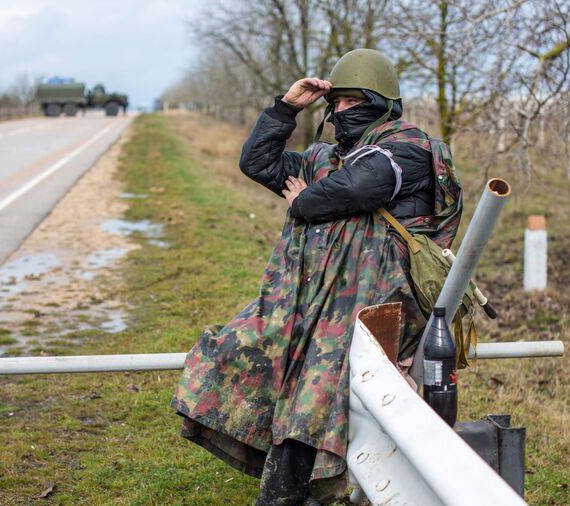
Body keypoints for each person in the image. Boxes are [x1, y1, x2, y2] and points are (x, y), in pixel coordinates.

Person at [172, 48, 463, 505]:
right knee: (243, 357)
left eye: (351, 102)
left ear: (377, 101)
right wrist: (286, 107)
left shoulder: (408, 147)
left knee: (315, 399)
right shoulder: (326, 158)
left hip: (378, 312)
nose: (340, 111)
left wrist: (304, 202)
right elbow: (259, 164)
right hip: (315, 308)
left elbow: (365, 185)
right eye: (337, 103)